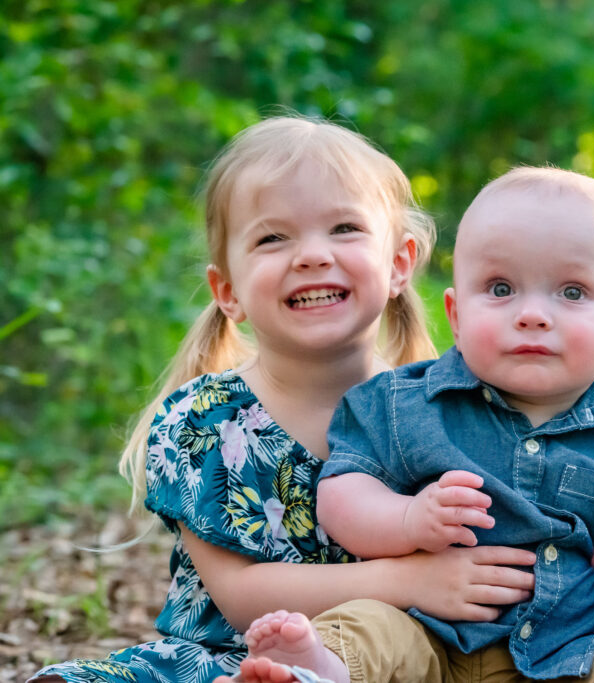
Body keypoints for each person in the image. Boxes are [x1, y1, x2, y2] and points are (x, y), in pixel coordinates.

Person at [29, 116, 541, 683]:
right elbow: (243, 598)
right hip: (235, 660)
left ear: (399, 263)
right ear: (229, 291)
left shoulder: (444, 409)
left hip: (387, 665)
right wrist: (412, 582)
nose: (311, 255)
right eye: (273, 238)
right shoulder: (204, 422)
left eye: (345, 228)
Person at [219, 167, 594, 683]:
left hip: (572, 652)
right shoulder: (402, 405)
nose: (532, 315)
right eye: (501, 288)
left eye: (572, 292)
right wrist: (408, 518)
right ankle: (318, 669)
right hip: (425, 636)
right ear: (456, 316)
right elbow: (343, 494)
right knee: (366, 625)